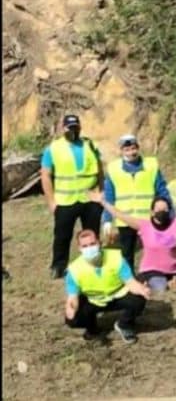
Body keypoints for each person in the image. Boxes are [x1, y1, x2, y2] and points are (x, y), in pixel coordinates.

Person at [89, 191, 176, 294]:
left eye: (165, 209)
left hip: (175, 268)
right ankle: (171, 284)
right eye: (159, 209)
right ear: (152, 212)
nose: (162, 211)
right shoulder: (143, 226)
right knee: (160, 289)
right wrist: (103, 202)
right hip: (152, 269)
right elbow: (119, 214)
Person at [42, 114, 104, 279]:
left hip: (90, 199)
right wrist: (51, 202)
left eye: (76, 126)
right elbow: (46, 175)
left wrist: (101, 192)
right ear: (63, 128)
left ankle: (93, 262)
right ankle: (58, 266)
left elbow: (100, 169)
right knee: (62, 236)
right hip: (65, 201)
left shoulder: (89, 144)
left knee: (92, 233)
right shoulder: (53, 148)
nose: (73, 130)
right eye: (70, 127)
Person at [63, 229, 152, 343]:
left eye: (92, 244)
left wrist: (142, 289)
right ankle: (92, 329)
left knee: (139, 299)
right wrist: (71, 308)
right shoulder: (74, 269)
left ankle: (124, 324)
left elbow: (130, 282)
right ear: (79, 249)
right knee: (73, 319)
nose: (89, 248)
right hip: (94, 300)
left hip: (118, 296)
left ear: (99, 243)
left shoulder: (116, 258)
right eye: (85, 246)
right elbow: (72, 297)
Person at [102, 134, 171, 268]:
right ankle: (130, 280)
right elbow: (109, 196)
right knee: (127, 252)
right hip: (125, 219)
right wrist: (107, 220)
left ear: (138, 148)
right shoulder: (113, 168)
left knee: (154, 249)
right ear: (121, 151)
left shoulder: (151, 165)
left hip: (148, 218)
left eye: (133, 149)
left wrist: (168, 210)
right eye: (127, 150)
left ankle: (156, 273)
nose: (131, 152)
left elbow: (162, 190)